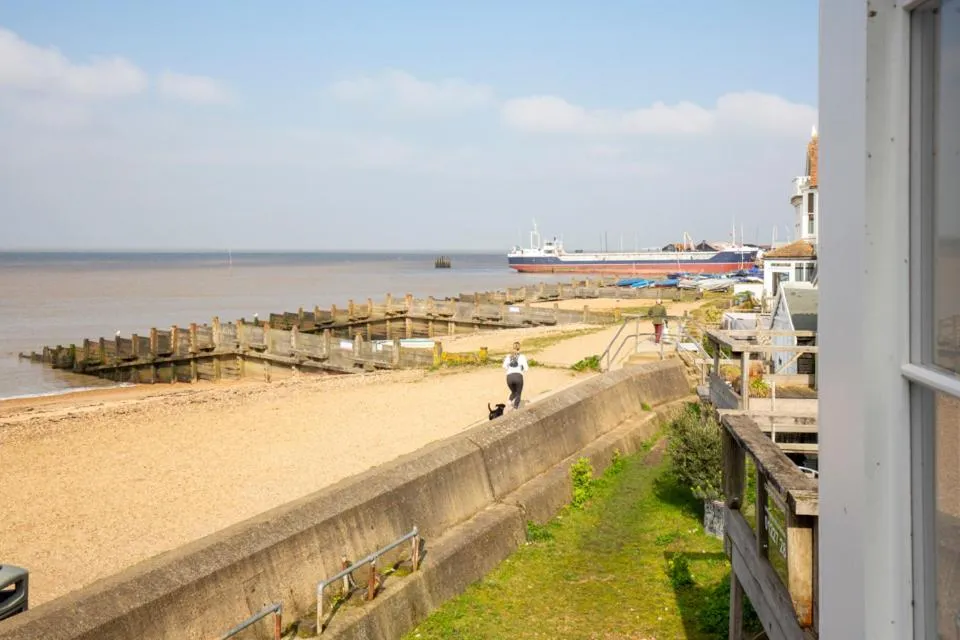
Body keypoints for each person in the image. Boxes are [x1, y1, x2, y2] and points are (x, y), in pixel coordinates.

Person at [502, 341, 528, 410]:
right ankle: (515, 408)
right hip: (518, 377)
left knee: (513, 392)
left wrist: (509, 367)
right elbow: (526, 369)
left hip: (509, 377)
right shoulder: (522, 357)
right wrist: (521, 368)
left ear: (512, 348)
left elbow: (504, 366)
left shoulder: (508, 356)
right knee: (518, 394)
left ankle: (509, 402)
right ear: (519, 348)